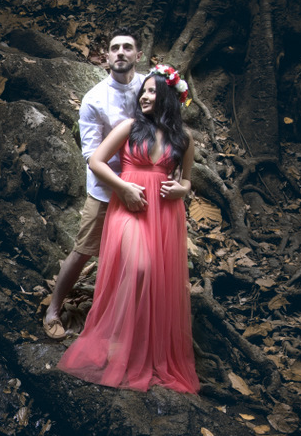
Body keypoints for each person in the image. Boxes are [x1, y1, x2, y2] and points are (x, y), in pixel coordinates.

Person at [57, 64, 199, 394]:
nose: (145, 95)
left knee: (157, 278)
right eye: (144, 90)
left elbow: (188, 179)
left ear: (168, 97)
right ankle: (115, 340)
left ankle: (141, 347)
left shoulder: (183, 139)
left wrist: (183, 189)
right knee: (140, 267)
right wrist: (123, 187)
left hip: (164, 215)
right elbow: (96, 161)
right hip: (130, 207)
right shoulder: (130, 127)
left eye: (152, 91)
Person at [44, 29, 144, 338]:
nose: (121, 52)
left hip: (144, 186)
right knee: (84, 250)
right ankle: (53, 309)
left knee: (142, 256)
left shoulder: (150, 87)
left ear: (138, 55)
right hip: (105, 189)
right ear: (106, 57)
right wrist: (122, 187)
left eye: (128, 47)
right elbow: (91, 155)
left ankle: (135, 319)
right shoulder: (95, 99)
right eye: (115, 48)